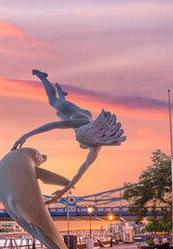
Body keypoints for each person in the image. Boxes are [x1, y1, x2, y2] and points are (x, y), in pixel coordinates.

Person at [12, 70, 126, 204]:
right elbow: (53, 126)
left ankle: (62, 94)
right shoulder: (80, 124)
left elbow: (80, 173)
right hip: (80, 115)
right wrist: (26, 135)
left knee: (60, 113)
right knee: (53, 101)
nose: (76, 139)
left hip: (81, 118)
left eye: (78, 138)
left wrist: (62, 193)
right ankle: (43, 77)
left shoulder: (94, 150)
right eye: (77, 137)